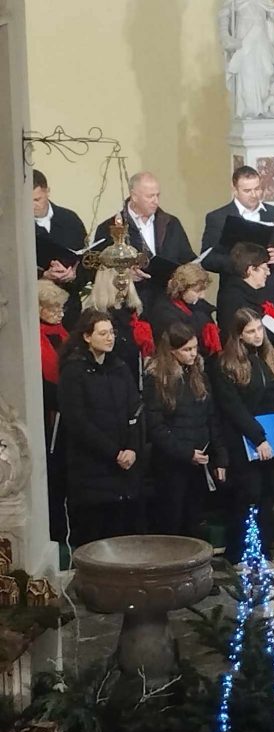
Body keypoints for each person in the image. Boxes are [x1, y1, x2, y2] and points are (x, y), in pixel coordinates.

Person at [212, 307, 274, 563]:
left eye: (260, 329)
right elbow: (233, 407)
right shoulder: (226, 365)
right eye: (251, 331)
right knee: (246, 495)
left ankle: (263, 549)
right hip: (243, 439)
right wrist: (257, 438)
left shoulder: (271, 360)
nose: (258, 335)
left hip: (272, 438)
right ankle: (239, 552)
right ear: (239, 335)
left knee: (267, 495)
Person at [58, 309, 143, 547]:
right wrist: (114, 452)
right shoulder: (73, 371)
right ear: (87, 336)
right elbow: (77, 421)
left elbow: (135, 409)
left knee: (123, 537)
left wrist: (132, 448)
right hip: (92, 467)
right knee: (95, 538)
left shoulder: (119, 367)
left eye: (111, 333)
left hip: (124, 467)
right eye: (103, 333)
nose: (110, 338)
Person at [143, 323, 227, 538]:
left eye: (195, 348)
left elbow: (211, 417)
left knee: (193, 521)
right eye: (186, 349)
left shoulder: (199, 374)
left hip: (199, 460)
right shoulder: (157, 378)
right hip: (171, 464)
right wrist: (186, 453)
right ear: (172, 351)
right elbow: (156, 426)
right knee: (171, 522)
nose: (193, 354)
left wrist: (219, 456)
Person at [201, 165, 274, 319]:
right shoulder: (218, 218)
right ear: (234, 190)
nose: (254, 195)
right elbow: (207, 259)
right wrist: (240, 262)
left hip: (269, 295)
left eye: (257, 189)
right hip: (235, 296)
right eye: (247, 191)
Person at [94, 172, 197, 309]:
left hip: (168, 301)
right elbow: (98, 268)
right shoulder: (110, 228)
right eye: (150, 196)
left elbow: (187, 258)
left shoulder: (170, 223)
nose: (156, 201)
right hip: (129, 302)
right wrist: (124, 274)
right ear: (134, 196)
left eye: (157, 195)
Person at [218, 0, 274, 118]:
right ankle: (249, 111)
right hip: (244, 40)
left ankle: (263, 109)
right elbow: (224, 15)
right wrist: (225, 35)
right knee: (247, 74)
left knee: (267, 71)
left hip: (261, 40)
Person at [82, 266, 154, 388]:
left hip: (131, 378)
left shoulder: (130, 310)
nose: (124, 284)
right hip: (107, 381)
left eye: (126, 279)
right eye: (119, 280)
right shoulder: (94, 317)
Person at [33, 170, 88, 327]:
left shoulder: (70, 220)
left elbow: (87, 260)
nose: (32, 205)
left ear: (47, 192)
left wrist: (74, 275)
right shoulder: (17, 226)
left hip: (70, 304)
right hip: (36, 308)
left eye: (37, 199)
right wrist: (44, 275)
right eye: (27, 201)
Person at [38, 280, 70, 541]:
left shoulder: (63, 333)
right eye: (54, 308)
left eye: (61, 308)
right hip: (47, 413)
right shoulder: (33, 337)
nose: (60, 313)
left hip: (67, 413)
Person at [146, 263, 221, 359]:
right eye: (197, 291)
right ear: (181, 289)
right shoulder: (165, 313)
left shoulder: (199, 305)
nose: (202, 296)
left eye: (203, 290)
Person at [215, 242, 274, 345]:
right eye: (264, 269)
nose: (268, 273)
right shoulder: (234, 299)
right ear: (251, 270)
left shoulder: (252, 293)